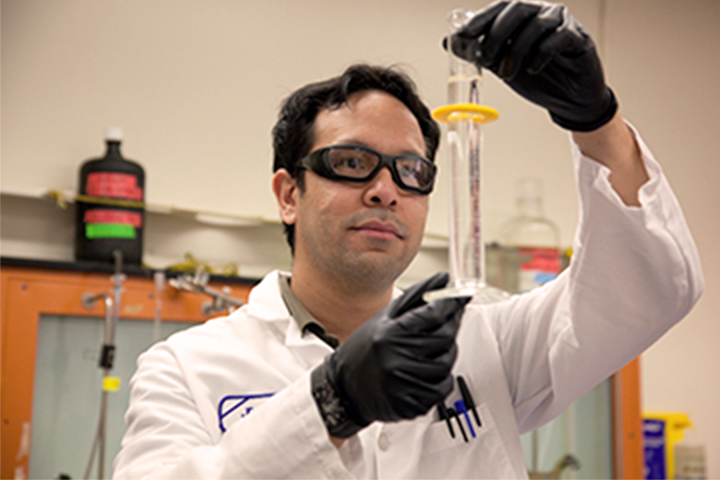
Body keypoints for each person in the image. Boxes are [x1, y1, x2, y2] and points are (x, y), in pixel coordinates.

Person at [113, 1, 704, 478]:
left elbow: (649, 289)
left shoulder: (483, 341)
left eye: (411, 171)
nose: (385, 191)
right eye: (351, 162)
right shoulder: (186, 368)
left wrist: (596, 122)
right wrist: (331, 402)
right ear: (289, 194)